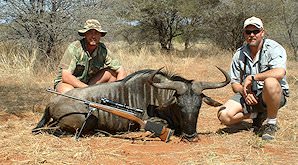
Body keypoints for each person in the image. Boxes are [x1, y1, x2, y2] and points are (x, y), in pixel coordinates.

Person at [217, 16, 289, 140]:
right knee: (223, 115)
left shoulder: (273, 48)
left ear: (262, 32)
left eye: (256, 31)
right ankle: (257, 115)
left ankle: (271, 123)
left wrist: (253, 77)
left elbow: (280, 72)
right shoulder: (239, 54)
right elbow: (234, 84)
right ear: (244, 34)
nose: (252, 35)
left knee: (270, 81)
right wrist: (245, 93)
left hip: (271, 95)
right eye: (248, 32)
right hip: (250, 96)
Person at [54, 19, 127, 93]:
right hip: (69, 83)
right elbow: (66, 76)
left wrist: (119, 93)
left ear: (100, 35)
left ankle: (107, 99)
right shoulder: (75, 48)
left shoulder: (103, 50)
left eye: (96, 33)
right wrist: (87, 89)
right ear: (85, 34)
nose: (93, 36)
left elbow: (121, 70)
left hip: (89, 84)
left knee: (112, 74)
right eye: (90, 32)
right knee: (69, 92)